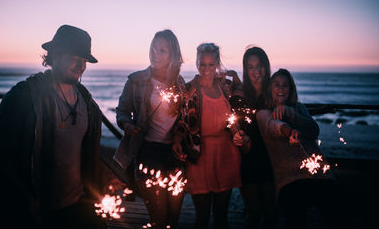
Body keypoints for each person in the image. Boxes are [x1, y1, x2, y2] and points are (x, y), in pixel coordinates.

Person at [0, 25, 123, 229]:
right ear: (55, 55)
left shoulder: (87, 103)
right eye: (74, 57)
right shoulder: (23, 97)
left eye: (85, 60)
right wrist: (22, 201)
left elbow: (84, 154)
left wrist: (104, 181)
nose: (80, 65)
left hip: (79, 205)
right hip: (35, 212)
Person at [256, 68, 350, 229]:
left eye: (285, 85)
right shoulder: (263, 113)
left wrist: (290, 112)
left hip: (320, 176)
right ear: (270, 89)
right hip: (290, 180)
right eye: (276, 85)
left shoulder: (299, 108)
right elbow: (274, 126)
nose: (280, 89)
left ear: (291, 89)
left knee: (338, 218)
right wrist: (290, 131)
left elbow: (313, 130)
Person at [114, 29, 185, 229]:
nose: (155, 54)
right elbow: (122, 110)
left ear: (173, 55)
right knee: (159, 215)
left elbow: (184, 120)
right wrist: (127, 125)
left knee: (174, 215)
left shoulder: (180, 85)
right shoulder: (136, 81)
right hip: (146, 152)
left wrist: (179, 136)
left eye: (162, 50)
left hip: (173, 153)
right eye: (153, 48)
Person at [173, 43, 247, 229]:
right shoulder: (188, 89)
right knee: (202, 216)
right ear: (197, 63)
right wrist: (177, 141)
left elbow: (243, 97)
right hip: (199, 155)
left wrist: (236, 77)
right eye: (203, 64)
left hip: (226, 154)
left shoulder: (226, 87)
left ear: (217, 64)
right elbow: (181, 120)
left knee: (221, 215)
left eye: (211, 65)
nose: (206, 69)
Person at [236, 46, 276, 228]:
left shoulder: (274, 94)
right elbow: (232, 124)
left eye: (259, 65)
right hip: (248, 157)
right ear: (245, 69)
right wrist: (238, 136)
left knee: (271, 213)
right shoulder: (239, 94)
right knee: (253, 214)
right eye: (250, 67)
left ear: (266, 67)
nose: (256, 71)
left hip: (272, 159)